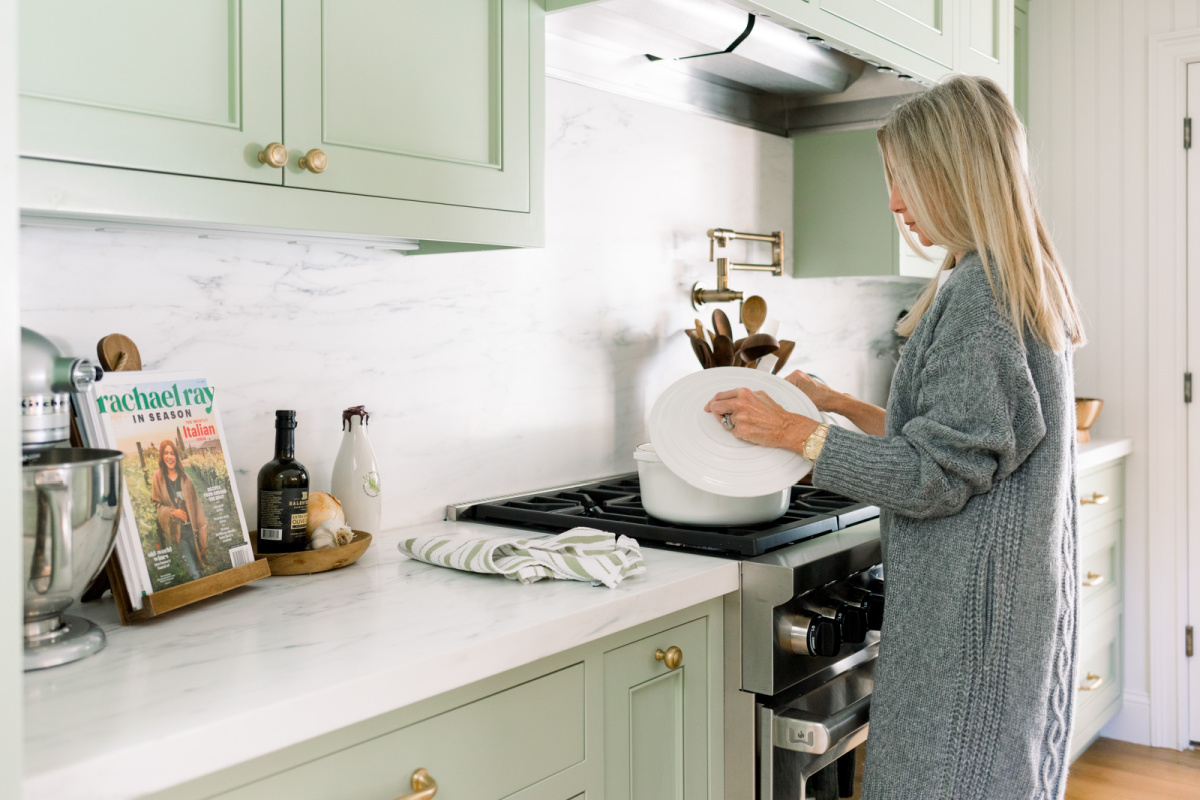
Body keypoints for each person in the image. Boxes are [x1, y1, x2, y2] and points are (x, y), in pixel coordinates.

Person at [705, 75, 1085, 800]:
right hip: (1002, 614)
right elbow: (969, 446)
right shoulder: (1013, 278)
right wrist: (836, 403)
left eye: (905, 179)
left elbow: (933, 477)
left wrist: (796, 432)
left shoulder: (979, 298)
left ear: (956, 173)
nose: (894, 202)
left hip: (969, 630)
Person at [150, 439, 209, 580]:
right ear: (162, 456)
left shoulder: (186, 479)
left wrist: (201, 530)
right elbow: (156, 503)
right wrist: (172, 512)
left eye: (172, 453)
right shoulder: (158, 476)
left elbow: (197, 506)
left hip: (192, 530)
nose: (169, 457)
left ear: (176, 456)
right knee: (193, 570)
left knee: (199, 563)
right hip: (178, 532)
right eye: (166, 453)